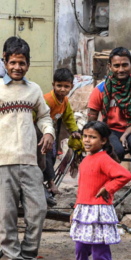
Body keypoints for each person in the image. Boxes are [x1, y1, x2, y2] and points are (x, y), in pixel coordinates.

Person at [0, 37, 55, 260]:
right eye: (13, 62)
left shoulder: (33, 90)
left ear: (28, 64)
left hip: (30, 162)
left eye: (22, 63)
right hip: (1, 162)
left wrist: (49, 131)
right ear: (5, 61)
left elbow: (44, 116)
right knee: (7, 215)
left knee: (38, 211)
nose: (17, 67)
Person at [69, 121, 131, 260]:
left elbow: (125, 175)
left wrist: (108, 188)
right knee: (80, 248)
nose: (87, 140)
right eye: (85, 136)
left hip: (99, 212)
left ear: (103, 140)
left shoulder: (104, 159)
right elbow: (82, 188)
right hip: (83, 210)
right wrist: (75, 209)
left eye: (92, 137)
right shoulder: (86, 159)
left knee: (100, 254)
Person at [87, 47, 131, 196]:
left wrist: (125, 135)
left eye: (125, 65)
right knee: (116, 151)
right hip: (109, 130)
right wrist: (89, 138)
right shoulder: (100, 89)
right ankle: (108, 181)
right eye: (116, 66)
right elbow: (91, 118)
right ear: (110, 67)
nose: (121, 69)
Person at [42, 68, 83, 205]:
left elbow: (69, 117)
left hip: (51, 134)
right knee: (46, 157)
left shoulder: (64, 101)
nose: (62, 89)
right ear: (53, 85)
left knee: (53, 157)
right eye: (59, 86)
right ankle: (51, 183)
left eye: (66, 86)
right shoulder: (48, 100)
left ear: (72, 86)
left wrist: (74, 131)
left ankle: (47, 182)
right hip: (40, 134)